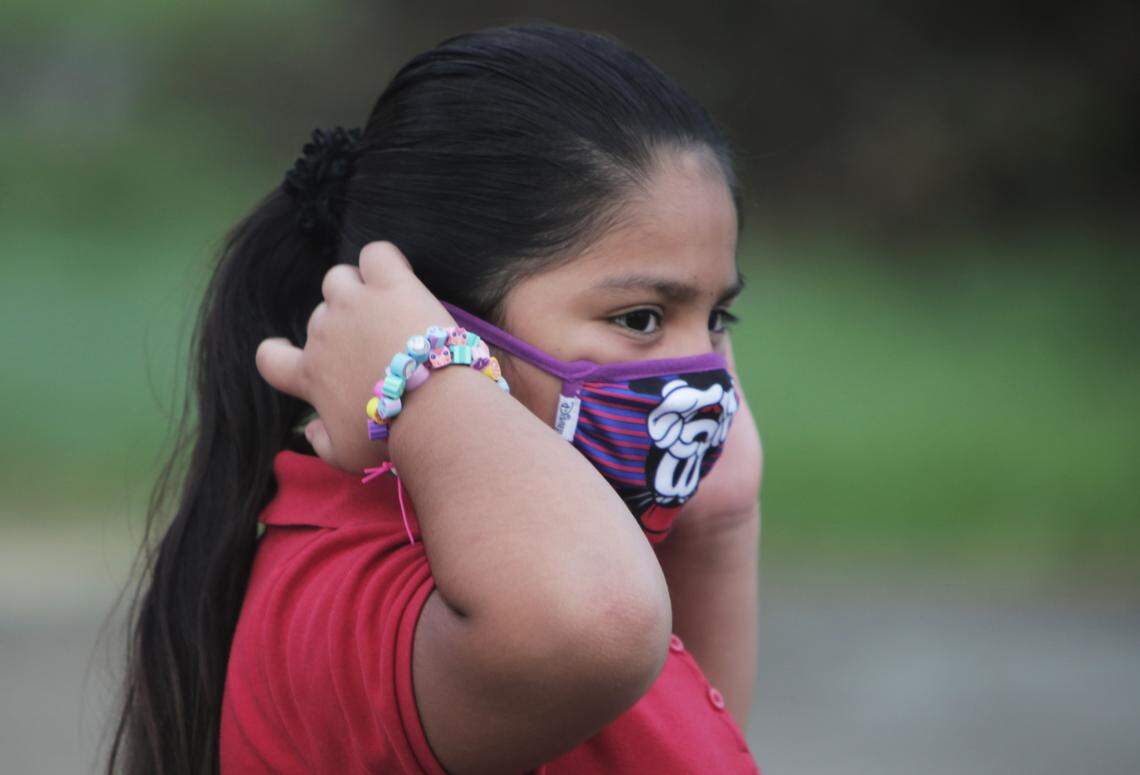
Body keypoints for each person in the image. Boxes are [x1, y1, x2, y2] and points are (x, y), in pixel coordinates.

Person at [108, 21, 763, 775]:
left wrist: (719, 520)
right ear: (438, 319)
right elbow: (601, 622)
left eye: (717, 319)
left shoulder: (564, 544)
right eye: (640, 318)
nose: (702, 374)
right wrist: (423, 380)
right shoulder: (356, 582)